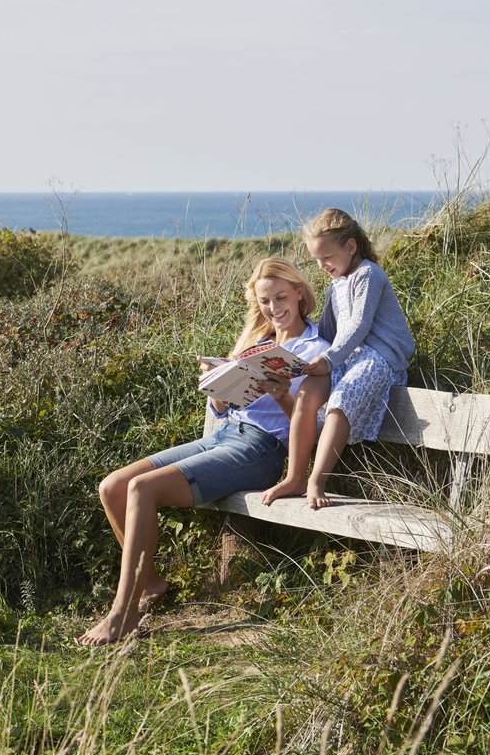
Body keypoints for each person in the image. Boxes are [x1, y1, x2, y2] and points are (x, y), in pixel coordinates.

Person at [76, 257, 330, 646]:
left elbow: (308, 426)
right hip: (224, 435)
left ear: (299, 293)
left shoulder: (316, 352)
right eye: (264, 300)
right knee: (113, 487)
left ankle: (122, 614)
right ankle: (152, 583)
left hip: (260, 449)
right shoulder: (257, 342)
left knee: (142, 489)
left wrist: (281, 395)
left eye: (281, 297)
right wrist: (219, 387)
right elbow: (223, 407)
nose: (273, 307)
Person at [260, 208, 415, 510]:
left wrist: (330, 360)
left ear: (351, 246)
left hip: (381, 360)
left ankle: (317, 480)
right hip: (351, 357)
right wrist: (301, 359)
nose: (322, 265)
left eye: (327, 258)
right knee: (308, 390)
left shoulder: (368, 275)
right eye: (317, 260)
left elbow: (359, 325)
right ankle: (295, 476)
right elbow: (329, 332)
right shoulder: (337, 285)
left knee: (341, 398)